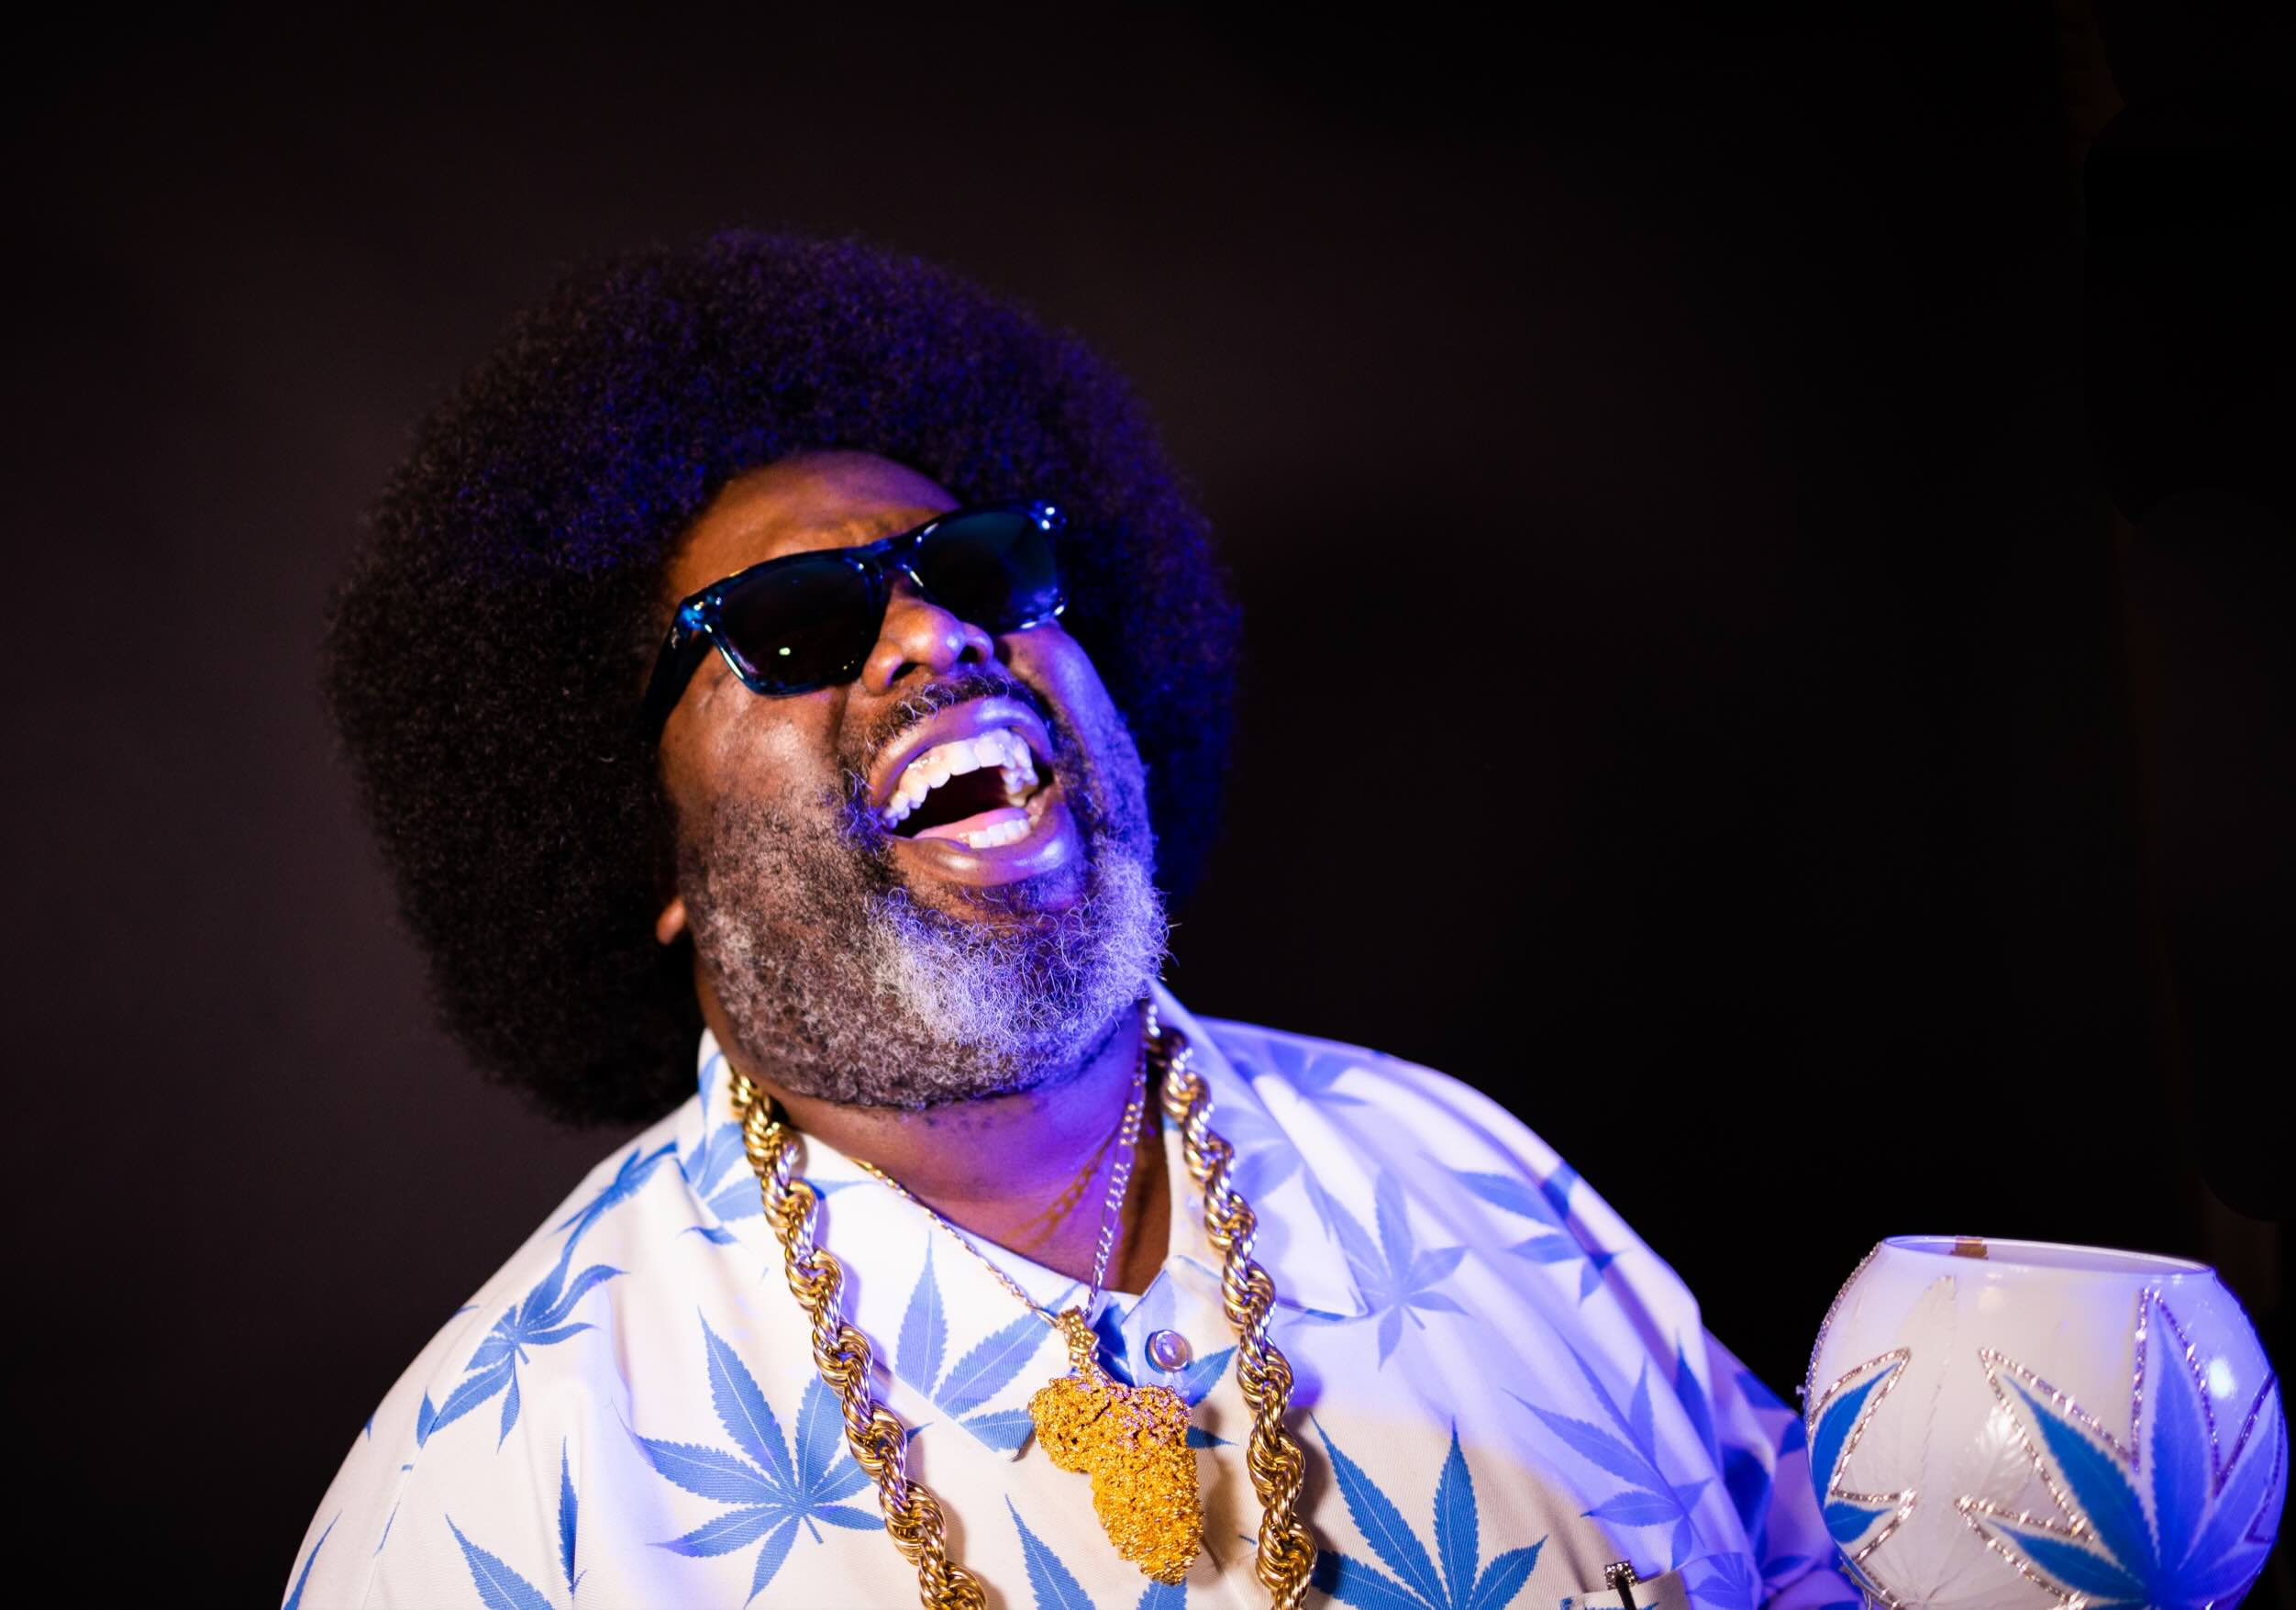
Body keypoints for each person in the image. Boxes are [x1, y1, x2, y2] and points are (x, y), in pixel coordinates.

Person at [291, 233, 1860, 1609]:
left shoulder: (1467, 1174)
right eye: (792, 624)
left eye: (983, 568)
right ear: (646, 853)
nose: (930, 632)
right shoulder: (492, 1500)